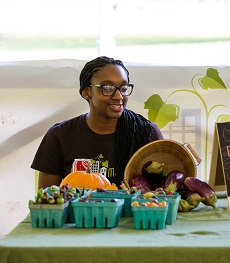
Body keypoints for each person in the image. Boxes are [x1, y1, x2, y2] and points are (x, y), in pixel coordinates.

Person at [32, 56, 163, 189]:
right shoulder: (59, 136)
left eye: (123, 88)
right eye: (107, 88)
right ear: (86, 92)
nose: (118, 96)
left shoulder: (146, 133)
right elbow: (47, 202)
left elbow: (163, 196)